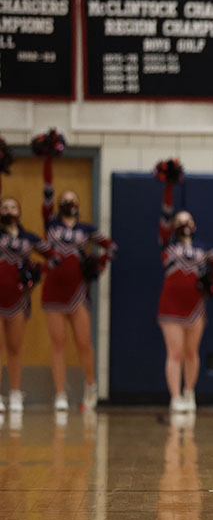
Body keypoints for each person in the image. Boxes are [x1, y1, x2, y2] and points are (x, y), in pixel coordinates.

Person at [40, 154, 117, 411]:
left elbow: (112, 247)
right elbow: (47, 195)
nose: (68, 202)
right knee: (58, 344)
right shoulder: (50, 224)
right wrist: (47, 162)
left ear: (79, 205)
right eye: (64, 200)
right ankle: (60, 393)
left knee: (84, 343)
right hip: (53, 291)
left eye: (72, 200)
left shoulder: (87, 230)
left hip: (78, 291)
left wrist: (99, 263)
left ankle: (90, 386)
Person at [157, 166, 213, 412]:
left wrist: (211, 282)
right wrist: (168, 186)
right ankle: (175, 397)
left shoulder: (204, 249)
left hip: (195, 304)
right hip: (170, 304)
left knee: (191, 351)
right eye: (180, 221)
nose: (184, 224)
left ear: (195, 225)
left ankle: (189, 393)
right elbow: (164, 218)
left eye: (188, 221)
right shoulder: (167, 246)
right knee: (174, 352)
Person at [0, 197, 56, 412]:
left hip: (18, 300)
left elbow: (54, 258)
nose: (8, 210)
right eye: (4, 207)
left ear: (19, 212)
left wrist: (36, 272)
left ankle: (15, 393)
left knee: (14, 347)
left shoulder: (29, 238)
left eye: (13, 206)